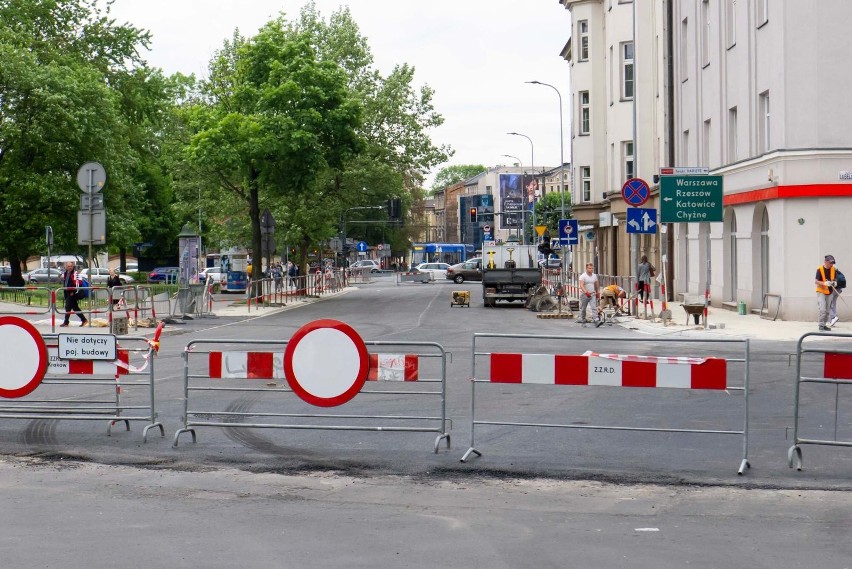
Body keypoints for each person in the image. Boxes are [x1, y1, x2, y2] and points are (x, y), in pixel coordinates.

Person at [816, 254, 841, 331]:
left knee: (827, 310)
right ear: (826, 262)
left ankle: (824, 325)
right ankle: (820, 325)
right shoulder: (819, 269)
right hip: (821, 291)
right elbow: (816, 281)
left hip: (830, 291)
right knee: (822, 309)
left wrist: (834, 283)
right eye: (830, 263)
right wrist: (824, 283)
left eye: (833, 263)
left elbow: (835, 279)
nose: (832, 264)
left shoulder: (833, 269)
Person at [60, 261, 87, 327]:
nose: (70, 268)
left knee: (68, 307)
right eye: (68, 266)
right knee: (75, 308)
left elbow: (79, 284)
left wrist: (73, 291)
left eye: (71, 266)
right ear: (66, 267)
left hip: (72, 293)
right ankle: (84, 320)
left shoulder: (75, 274)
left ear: (73, 267)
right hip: (67, 292)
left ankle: (66, 322)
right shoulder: (66, 273)